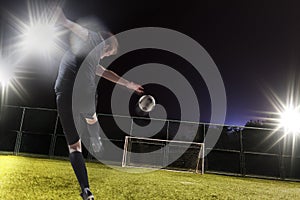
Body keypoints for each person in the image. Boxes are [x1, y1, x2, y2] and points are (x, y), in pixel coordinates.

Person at [54, 8, 144, 200]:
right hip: (82, 93)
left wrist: (128, 83)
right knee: (92, 117)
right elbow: (82, 32)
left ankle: (86, 190)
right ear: (107, 45)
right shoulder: (95, 39)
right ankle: (95, 139)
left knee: (74, 147)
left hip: (62, 93)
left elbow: (105, 72)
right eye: (109, 52)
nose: (106, 55)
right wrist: (65, 22)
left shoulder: (85, 55)